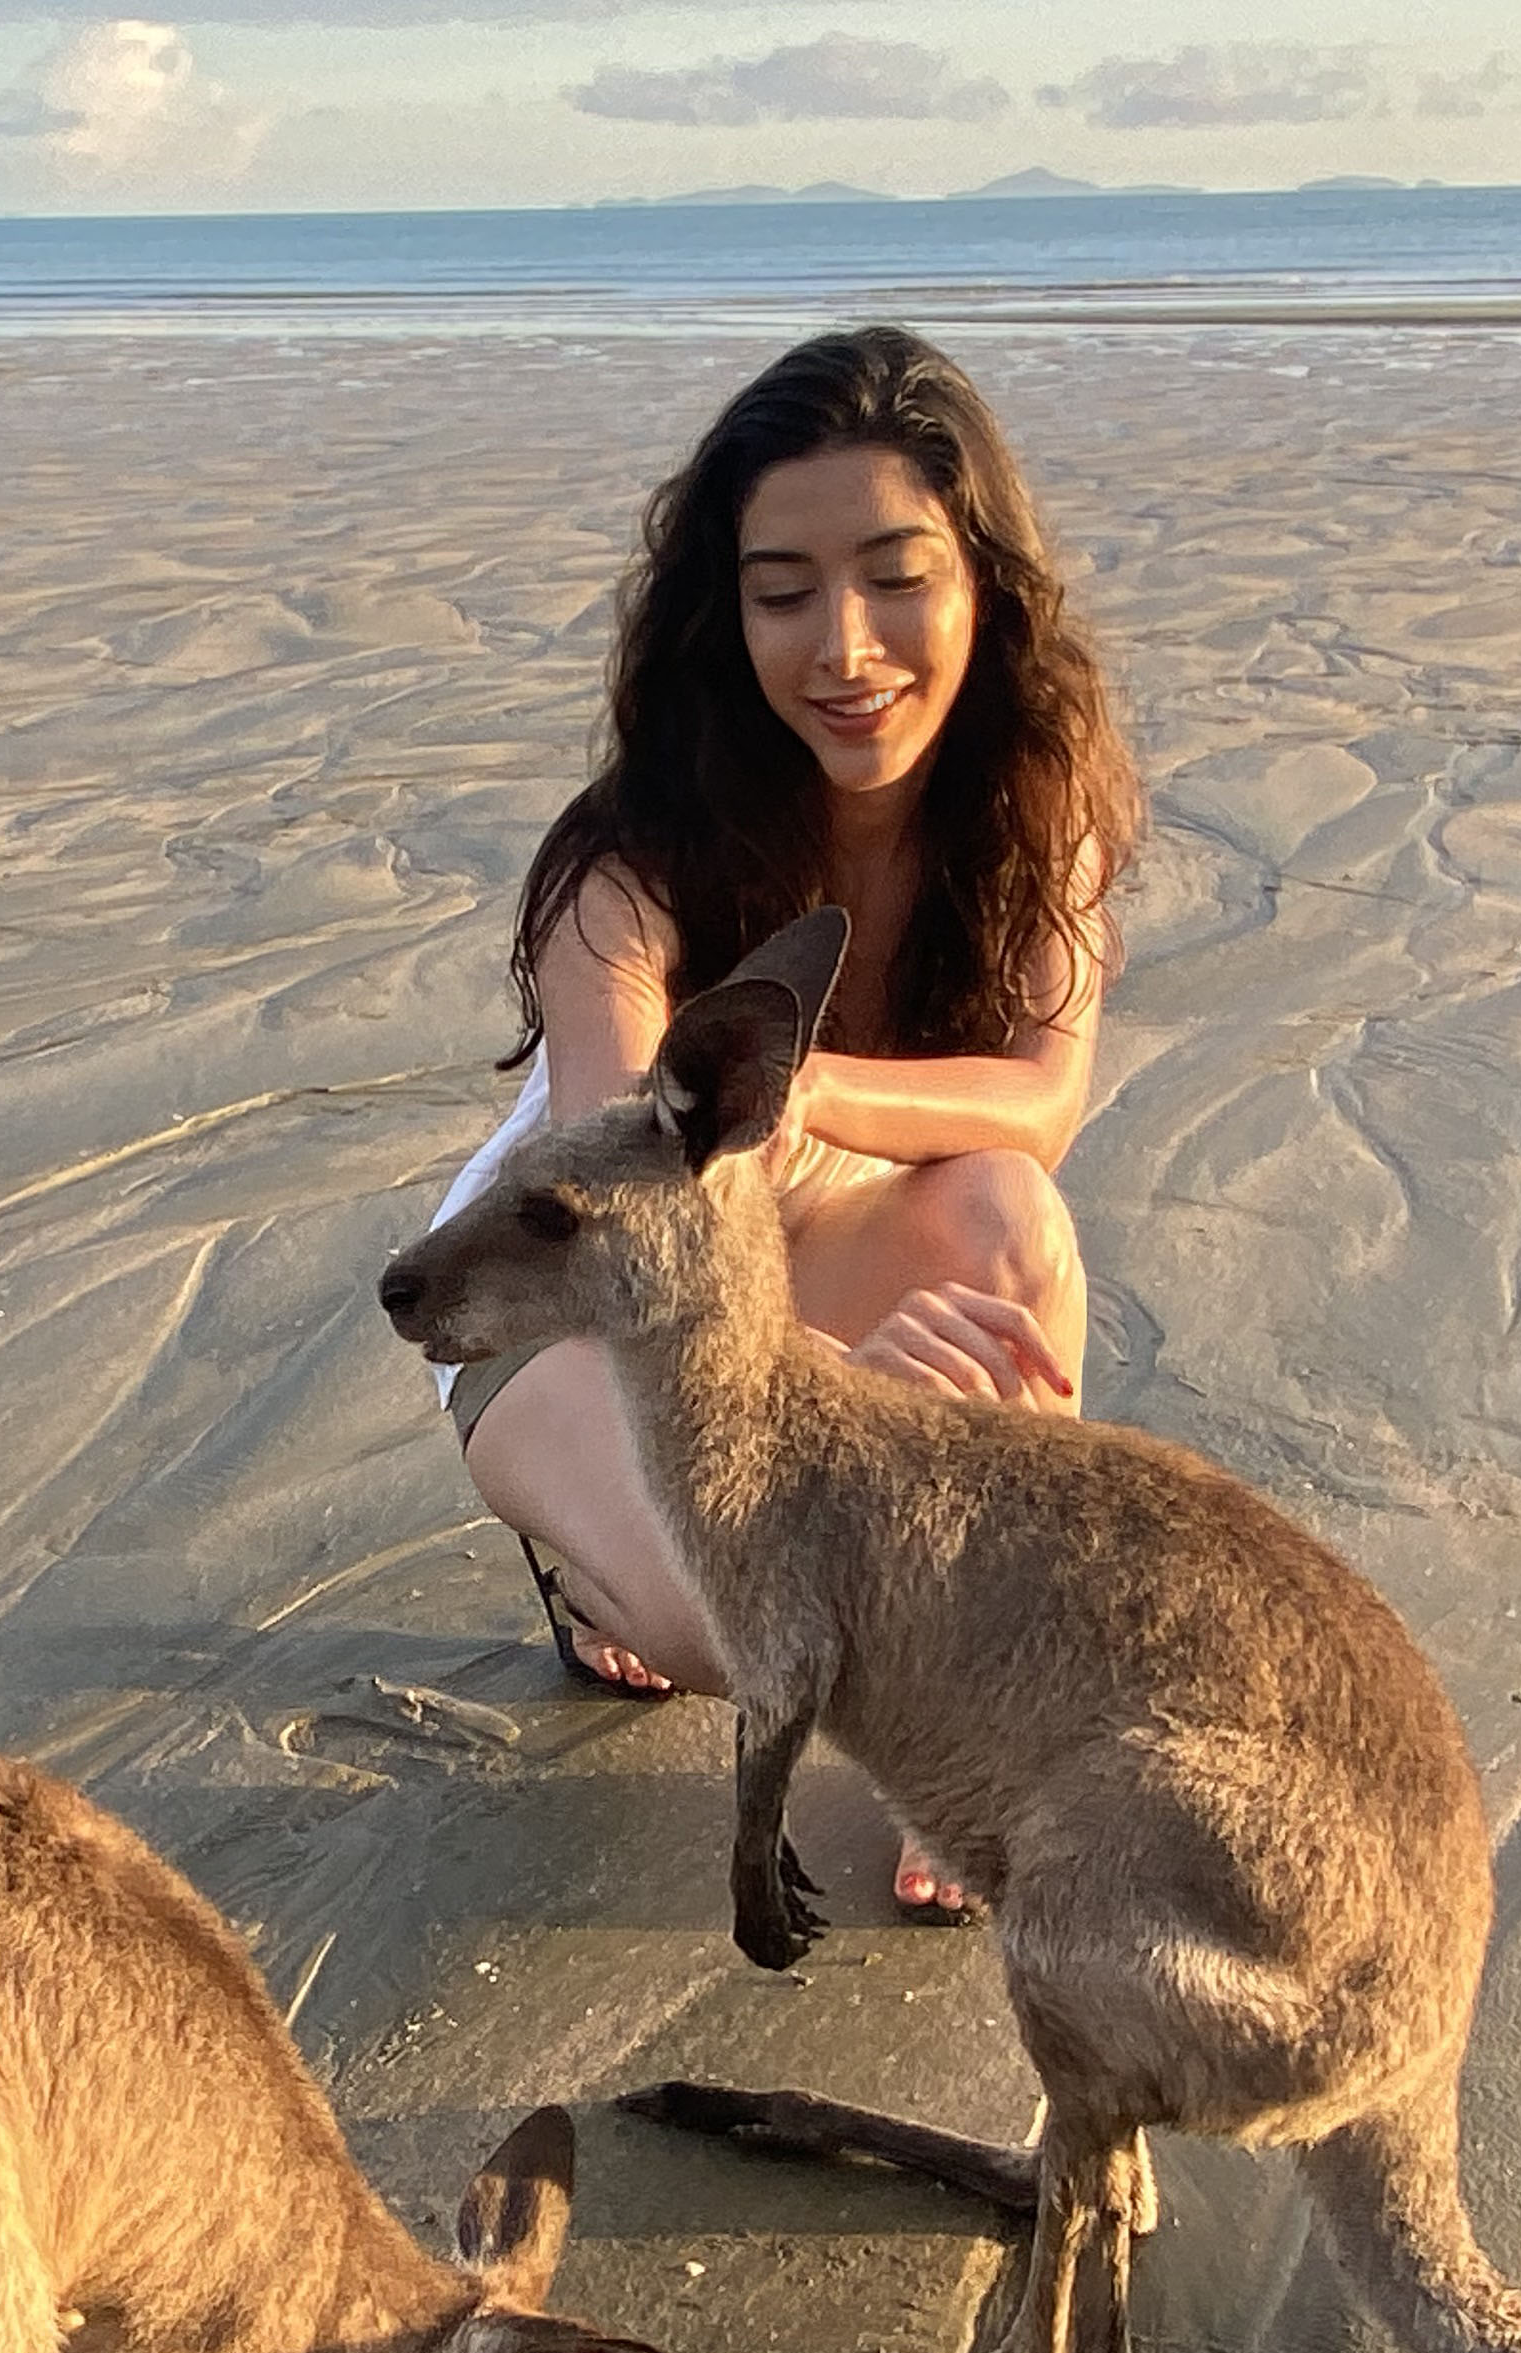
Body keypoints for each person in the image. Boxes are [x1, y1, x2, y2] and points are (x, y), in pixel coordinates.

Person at [428, 324, 1138, 1917]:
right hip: (570, 1309)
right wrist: (813, 1388)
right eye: (782, 592)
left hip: (827, 1232)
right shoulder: (629, 862)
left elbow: (1042, 1093)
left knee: (1007, 1212)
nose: (846, 644)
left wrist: (797, 1087)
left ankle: (975, 1734)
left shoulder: (1037, 805)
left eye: (897, 576)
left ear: (983, 587)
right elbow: (629, 1211)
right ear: (721, 615)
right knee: (716, 1624)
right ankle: (591, 1562)